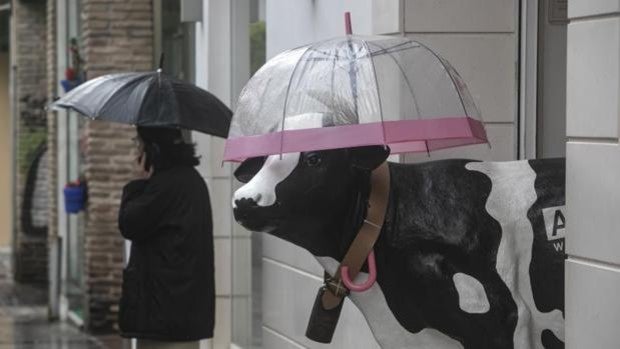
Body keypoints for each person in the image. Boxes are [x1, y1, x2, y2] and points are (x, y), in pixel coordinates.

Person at [118, 126, 215, 349]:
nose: (136, 151)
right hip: (180, 312)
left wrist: (138, 183)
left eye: (138, 144)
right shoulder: (191, 180)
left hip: (165, 313)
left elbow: (129, 224)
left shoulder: (165, 186)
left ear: (152, 149)